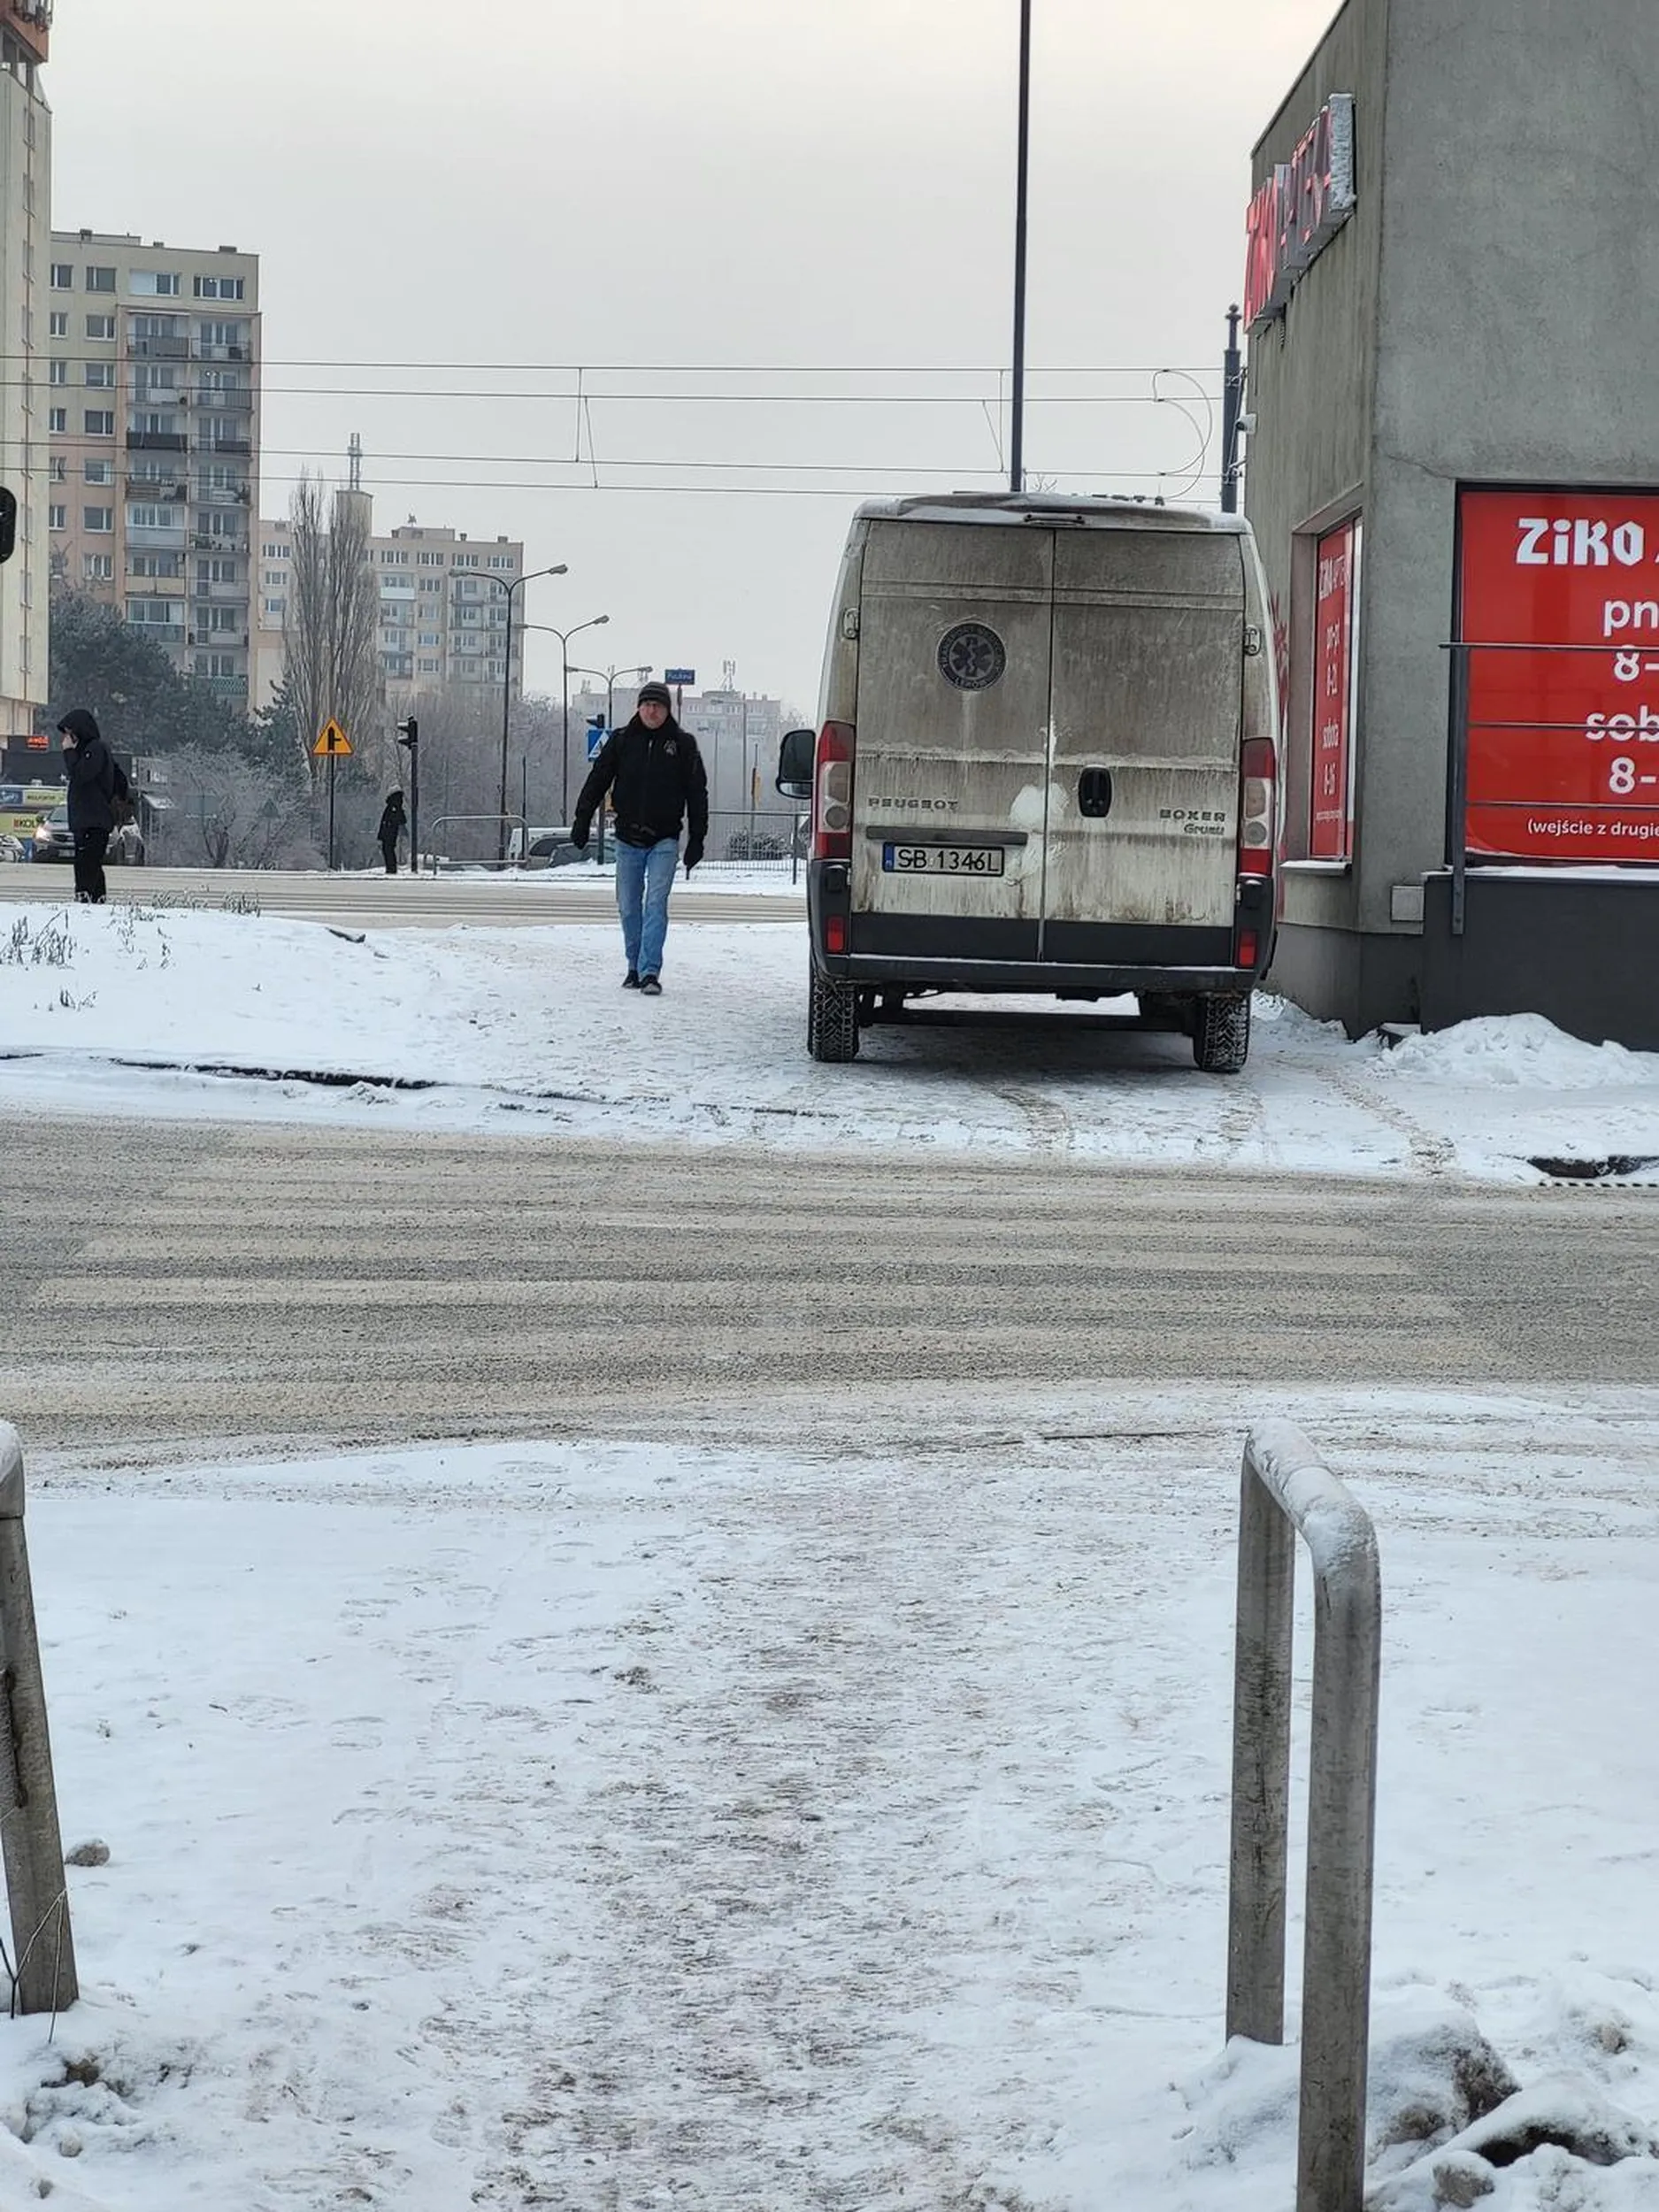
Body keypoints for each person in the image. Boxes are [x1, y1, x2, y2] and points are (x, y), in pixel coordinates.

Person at [571, 681, 708, 994]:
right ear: (638, 707)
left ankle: (649, 971)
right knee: (629, 906)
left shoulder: (683, 745)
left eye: (657, 705)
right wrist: (582, 819)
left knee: (656, 904)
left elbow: (697, 794)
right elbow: (598, 780)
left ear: (667, 710)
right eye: (646, 704)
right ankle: (633, 966)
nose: (651, 710)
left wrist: (697, 838)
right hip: (627, 838)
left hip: (665, 839)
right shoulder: (621, 741)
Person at [56, 708, 116, 905]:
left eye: (69, 733)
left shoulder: (95, 749)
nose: (66, 738)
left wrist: (69, 752)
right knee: (90, 865)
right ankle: (97, 902)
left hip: (95, 820)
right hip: (86, 820)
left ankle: (85, 900)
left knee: (86, 866)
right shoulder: (87, 752)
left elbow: (81, 775)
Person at [377, 788, 407, 875]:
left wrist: (381, 835)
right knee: (388, 850)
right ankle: (391, 868)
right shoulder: (394, 807)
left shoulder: (393, 807)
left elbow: (387, 821)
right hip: (390, 831)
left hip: (389, 832)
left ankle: (391, 869)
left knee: (388, 850)